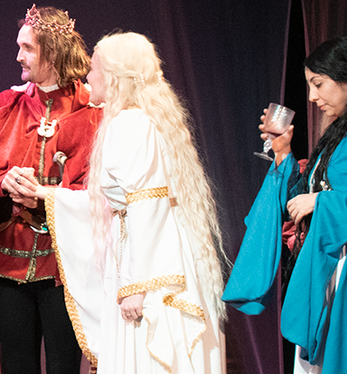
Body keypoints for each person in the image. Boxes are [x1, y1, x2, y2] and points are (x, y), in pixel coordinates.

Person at [41, 32, 226, 372]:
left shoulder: (130, 123)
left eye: (94, 68)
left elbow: (146, 204)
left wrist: (137, 285)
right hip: (161, 256)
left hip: (150, 265)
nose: (87, 76)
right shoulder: (145, 119)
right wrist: (47, 195)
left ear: (114, 76)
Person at [0, 5, 100, 374]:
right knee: (17, 365)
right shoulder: (4, 107)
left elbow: (103, 190)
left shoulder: (93, 113)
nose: (18, 56)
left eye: (28, 48)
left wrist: (48, 197)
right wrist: (2, 183)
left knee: (64, 366)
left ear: (52, 52)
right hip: (9, 267)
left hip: (65, 269)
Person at [223, 36, 347, 373]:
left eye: (318, 84)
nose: (311, 96)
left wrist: (321, 202)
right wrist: (282, 152)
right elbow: (304, 196)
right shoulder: (344, 130)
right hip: (330, 266)